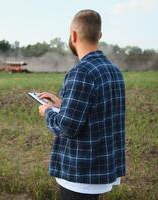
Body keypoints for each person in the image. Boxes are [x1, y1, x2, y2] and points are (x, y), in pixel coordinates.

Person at [38, 9, 126, 200]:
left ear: (74, 35)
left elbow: (67, 127)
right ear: (99, 36)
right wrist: (63, 103)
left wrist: (47, 111)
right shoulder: (114, 71)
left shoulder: (81, 72)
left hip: (80, 174)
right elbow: (95, 110)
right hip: (101, 169)